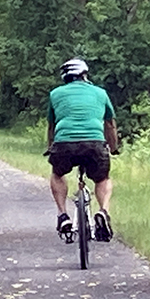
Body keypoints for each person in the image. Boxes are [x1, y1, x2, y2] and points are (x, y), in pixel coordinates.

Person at [46, 58, 119, 242]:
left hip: (64, 144)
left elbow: (51, 126)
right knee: (102, 178)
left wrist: (50, 148)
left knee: (57, 174)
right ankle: (103, 211)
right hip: (94, 143)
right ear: (85, 74)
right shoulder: (100, 93)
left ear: (65, 77)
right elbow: (110, 124)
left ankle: (63, 215)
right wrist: (114, 147)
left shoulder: (55, 94)